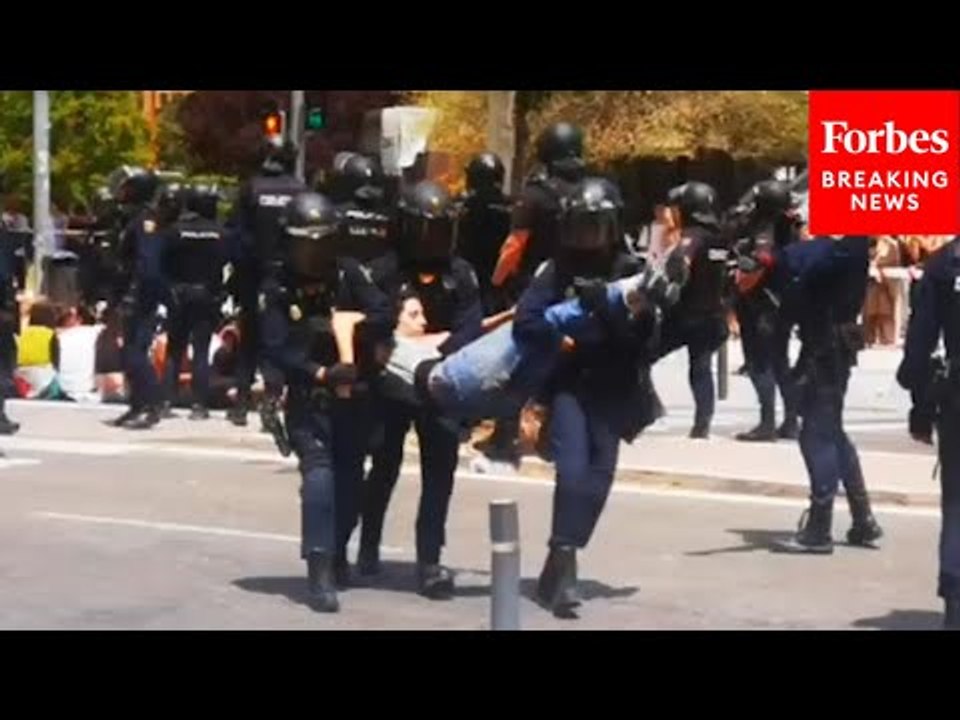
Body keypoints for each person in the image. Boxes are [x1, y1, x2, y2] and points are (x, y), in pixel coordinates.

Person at [515, 177, 661, 618]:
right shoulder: (554, 269)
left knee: (599, 480)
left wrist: (607, 307)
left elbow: (643, 340)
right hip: (571, 383)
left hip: (614, 386)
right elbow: (527, 322)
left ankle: (556, 564)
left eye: (594, 228)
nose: (586, 239)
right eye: (579, 227)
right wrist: (562, 336)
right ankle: (564, 568)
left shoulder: (628, 269)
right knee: (573, 471)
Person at [261, 191, 393, 613]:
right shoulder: (277, 285)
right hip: (311, 396)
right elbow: (276, 347)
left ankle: (338, 552)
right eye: (306, 245)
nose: (314, 255)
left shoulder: (349, 273)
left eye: (322, 244)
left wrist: (356, 328)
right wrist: (319, 372)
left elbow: (383, 313)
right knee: (319, 479)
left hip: (354, 396)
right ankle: (318, 569)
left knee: (351, 481)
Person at [357, 180, 483, 597]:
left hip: (440, 384)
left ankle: (429, 560)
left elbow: (469, 329)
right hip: (391, 385)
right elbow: (371, 327)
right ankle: (368, 545)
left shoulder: (460, 274)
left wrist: (434, 348)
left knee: (439, 473)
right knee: (384, 465)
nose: (434, 241)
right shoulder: (381, 272)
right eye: (425, 231)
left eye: (440, 230)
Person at [766, 235, 883, 554]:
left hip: (827, 347)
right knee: (830, 432)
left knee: (817, 436)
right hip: (826, 344)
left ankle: (820, 527)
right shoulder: (844, 247)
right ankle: (862, 517)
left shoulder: (842, 248)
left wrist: (783, 263)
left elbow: (812, 274)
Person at [896, 234, 960, 629]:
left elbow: (920, 345)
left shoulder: (943, 263)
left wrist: (920, 405)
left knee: (956, 504)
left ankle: (955, 603)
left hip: (956, 398)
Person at [229, 140, 306, 428]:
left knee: (249, 338)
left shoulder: (251, 189)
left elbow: (236, 236)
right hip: (288, 275)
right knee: (282, 338)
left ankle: (241, 402)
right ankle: (272, 399)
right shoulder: (300, 190)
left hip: (253, 273)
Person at [655, 182, 730, 439]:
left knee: (642, 355)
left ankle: (645, 407)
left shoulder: (692, 236)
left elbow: (679, 267)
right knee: (701, 367)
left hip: (686, 315)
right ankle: (702, 423)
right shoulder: (721, 238)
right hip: (714, 314)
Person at [732, 180, 800, 442]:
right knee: (781, 363)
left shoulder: (765, 229)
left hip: (761, 306)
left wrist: (742, 284)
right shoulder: (788, 227)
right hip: (782, 303)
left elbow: (760, 262)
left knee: (759, 364)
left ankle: (767, 423)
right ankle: (791, 420)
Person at [162, 185, 226, 420]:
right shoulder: (220, 232)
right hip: (207, 295)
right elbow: (226, 262)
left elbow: (163, 262)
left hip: (179, 294)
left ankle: (166, 401)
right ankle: (199, 405)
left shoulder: (175, 231)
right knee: (201, 351)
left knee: (174, 350)